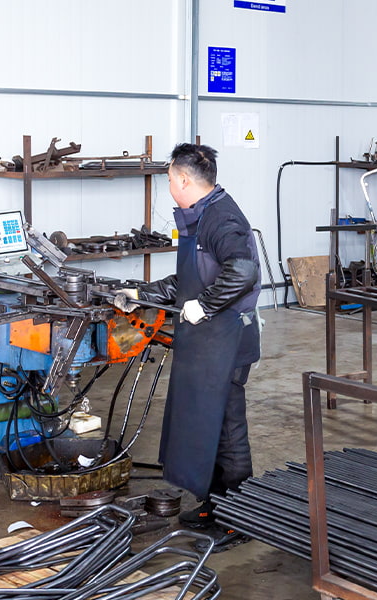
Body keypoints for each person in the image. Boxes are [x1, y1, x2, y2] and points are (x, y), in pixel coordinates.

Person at [114, 143, 261, 550]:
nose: (168, 186)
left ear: (182, 179)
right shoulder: (200, 215)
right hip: (206, 340)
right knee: (204, 425)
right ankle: (215, 505)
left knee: (228, 429)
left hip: (229, 339)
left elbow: (243, 271)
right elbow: (190, 279)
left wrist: (207, 305)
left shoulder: (222, 217)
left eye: (168, 179)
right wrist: (142, 294)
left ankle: (238, 519)